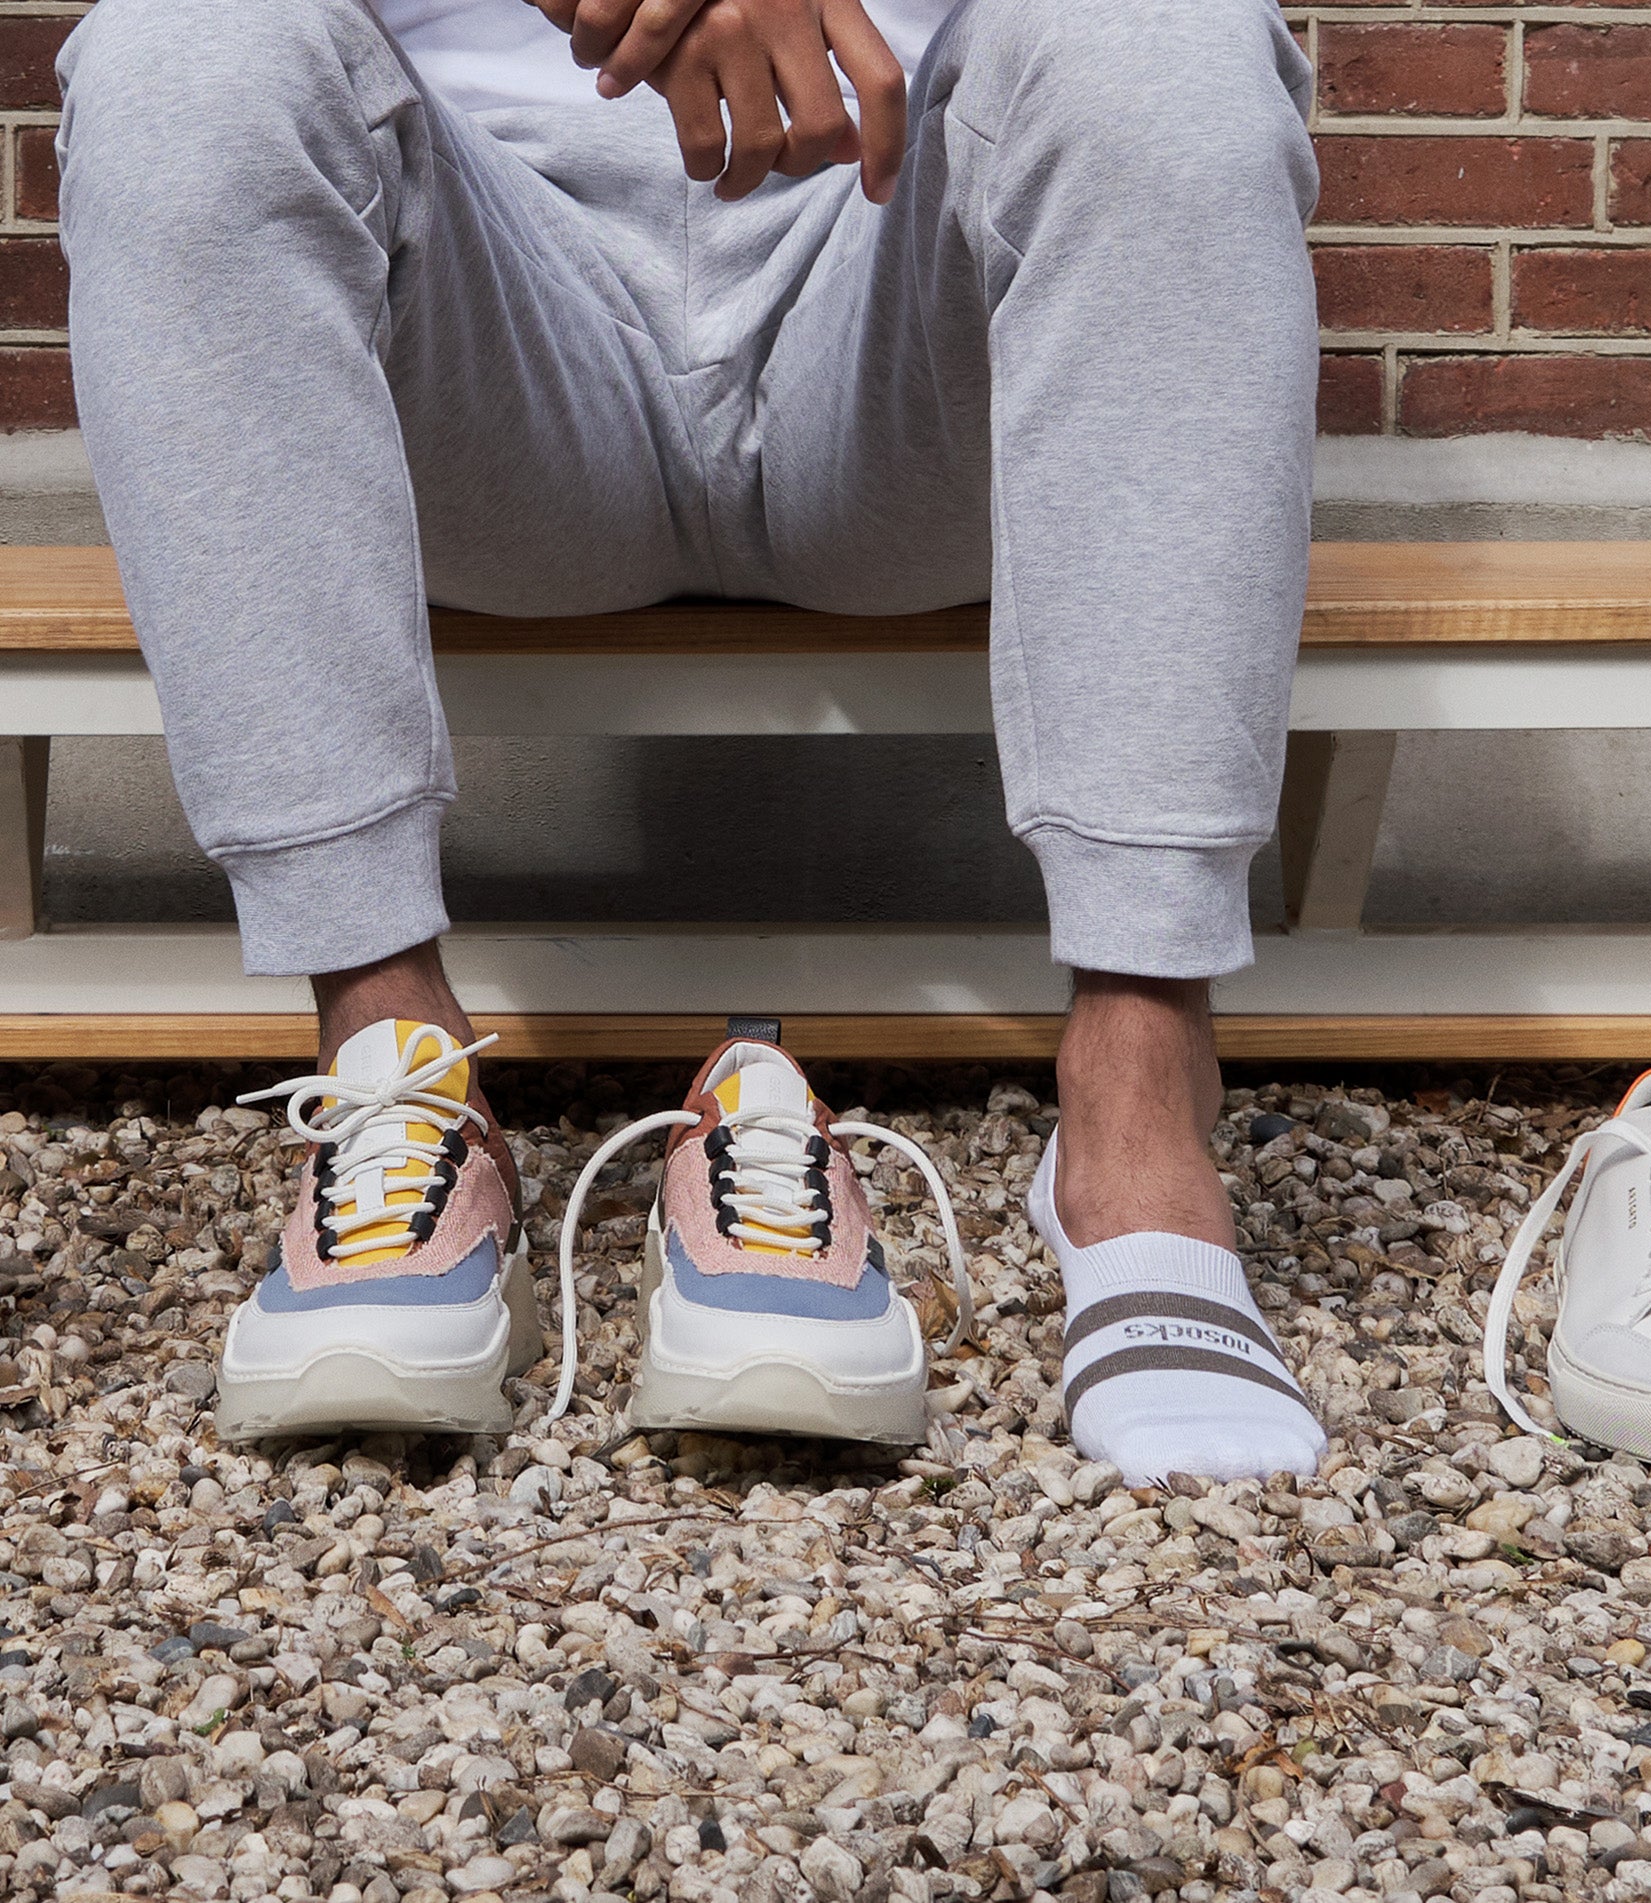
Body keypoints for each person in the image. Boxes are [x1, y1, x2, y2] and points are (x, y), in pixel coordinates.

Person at [56, 0, 1330, 1483]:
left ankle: (1141, 1110)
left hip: (900, 285)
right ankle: (394, 1068)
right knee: (179, 50)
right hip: (483, 311)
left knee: (1162, 29)